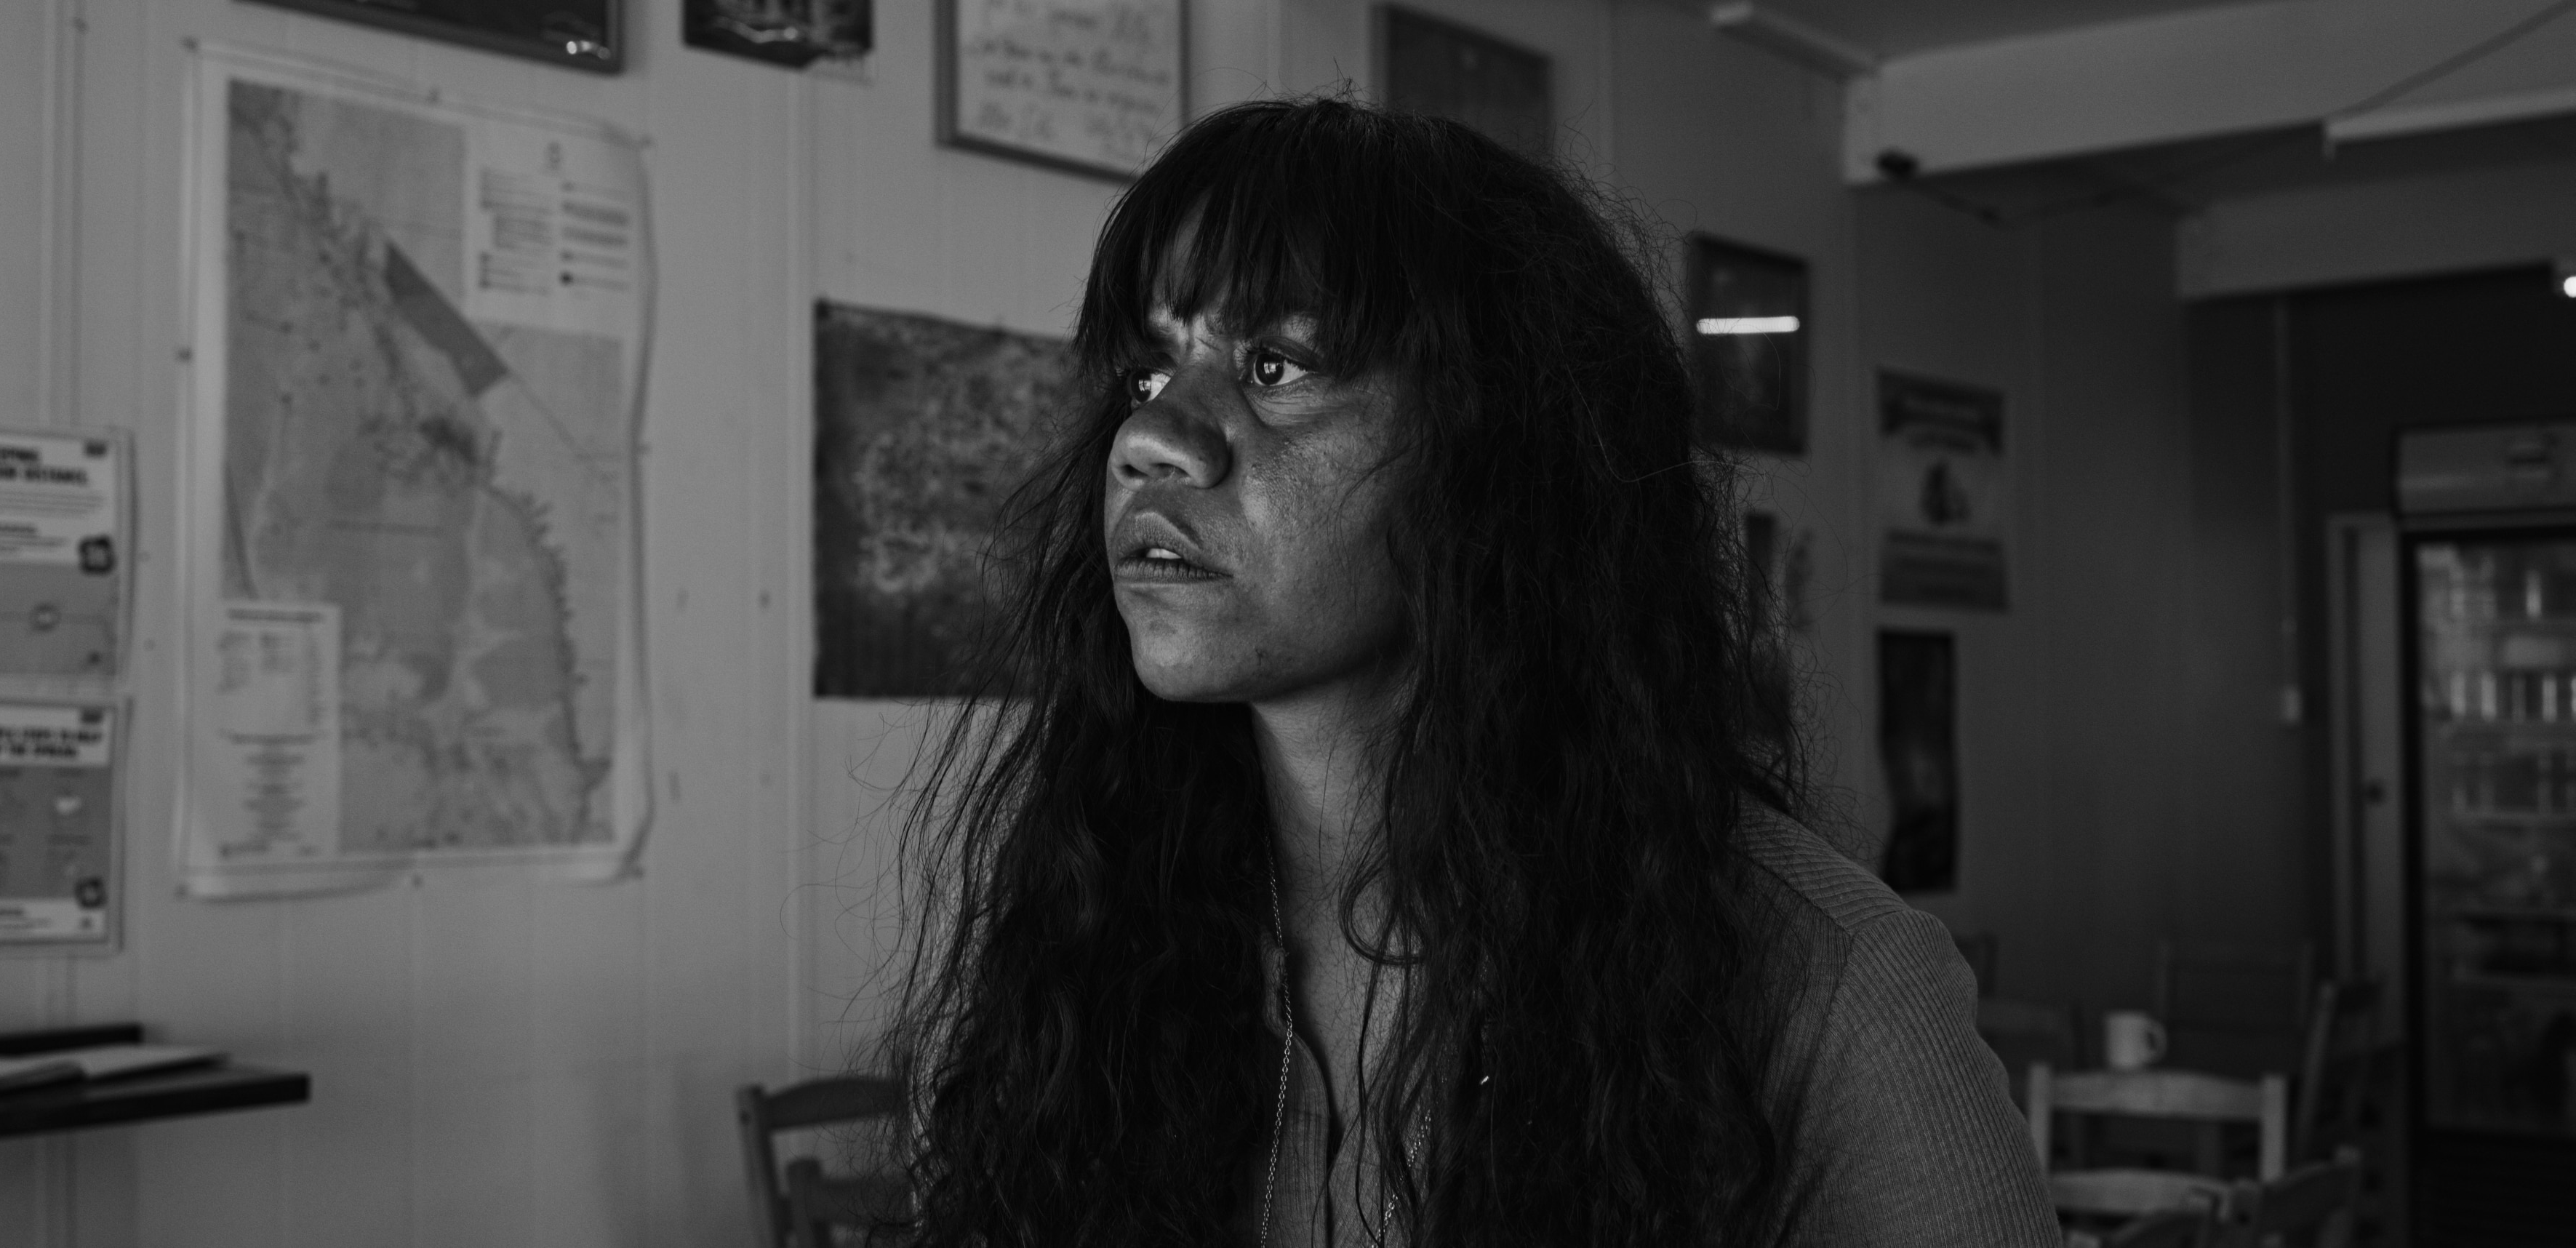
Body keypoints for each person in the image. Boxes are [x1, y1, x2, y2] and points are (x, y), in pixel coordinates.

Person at [876, 99, 2057, 1247]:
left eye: (1278, 363)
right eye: (1147, 374)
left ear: (1496, 457)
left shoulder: (1837, 998)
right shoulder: (1094, 934)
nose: (1154, 437)